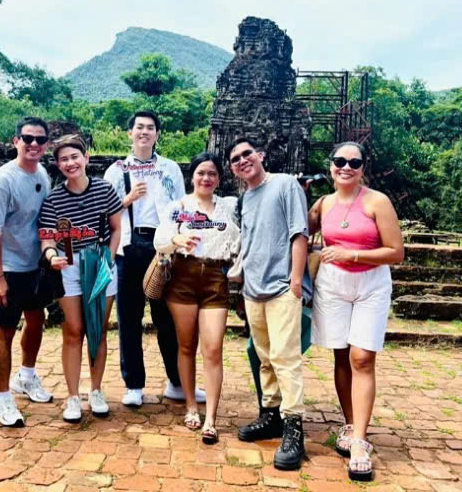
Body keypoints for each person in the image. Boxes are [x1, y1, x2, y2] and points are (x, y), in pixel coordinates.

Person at [307, 141, 404, 482]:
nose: (346, 167)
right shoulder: (324, 203)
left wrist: (354, 255)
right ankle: (349, 423)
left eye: (354, 162)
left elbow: (396, 252)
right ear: (330, 166)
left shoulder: (377, 202)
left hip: (370, 283)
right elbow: (300, 231)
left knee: (362, 358)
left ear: (363, 168)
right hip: (333, 283)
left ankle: (361, 441)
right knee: (341, 354)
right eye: (340, 161)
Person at [103, 111, 204, 407]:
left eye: (150, 128)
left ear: (158, 134)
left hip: (164, 247)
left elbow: (182, 208)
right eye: (139, 127)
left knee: (167, 318)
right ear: (130, 133)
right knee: (129, 318)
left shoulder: (169, 168)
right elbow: (103, 212)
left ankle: (177, 382)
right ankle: (134, 384)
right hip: (128, 247)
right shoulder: (116, 171)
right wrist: (127, 199)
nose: (144, 132)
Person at [229, 138, 309, 471]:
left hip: (282, 287)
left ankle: (294, 427)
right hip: (254, 289)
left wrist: (296, 280)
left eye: (247, 153)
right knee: (264, 357)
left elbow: (299, 232)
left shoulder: (285, 184)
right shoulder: (245, 198)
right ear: (233, 169)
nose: (242, 160)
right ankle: (271, 414)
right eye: (235, 158)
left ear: (260, 155)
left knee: (285, 357)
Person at [153, 152, 239, 444]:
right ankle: (191, 406)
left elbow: (239, 239)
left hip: (215, 278)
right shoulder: (178, 207)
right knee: (187, 345)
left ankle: (211, 418)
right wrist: (176, 239)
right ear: (192, 176)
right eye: (201, 172)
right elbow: (159, 240)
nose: (206, 178)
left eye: (212, 173)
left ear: (219, 178)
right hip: (183, 277)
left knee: (213, 348)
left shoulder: (227, 207)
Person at [39, 135, 123, 423]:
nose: (70, 163)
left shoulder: (104, 189)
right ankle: (73, 396)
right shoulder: (53, 199)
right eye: (63, 159)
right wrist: (51, 256)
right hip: (69, 266)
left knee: (97, 330)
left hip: (100, 262)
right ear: (58, 165)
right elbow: (47, 238)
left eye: (74, 156)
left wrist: (109, 257)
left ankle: (96, 391)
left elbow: (116, 228)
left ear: (86, 158)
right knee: (73, 330)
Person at [0, 117, 54, 428]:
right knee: (6, 329)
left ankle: (26, 375)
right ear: (16, 142)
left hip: (35, 265)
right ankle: (2, 397)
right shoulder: (2, 180)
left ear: (47, 145)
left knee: (37, 319)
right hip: (8, 268)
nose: (33, 144)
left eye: (40, 140)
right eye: (27, 138)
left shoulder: (43, 174)